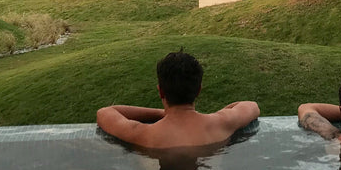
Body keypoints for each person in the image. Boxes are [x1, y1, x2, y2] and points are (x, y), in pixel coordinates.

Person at [96, 49, 260, 149]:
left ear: (161, 92)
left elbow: (105, 112)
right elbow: (252, 106)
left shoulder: (142, 134)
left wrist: (163, 114)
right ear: (198, 90)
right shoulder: (222, 123)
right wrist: (218, 115)